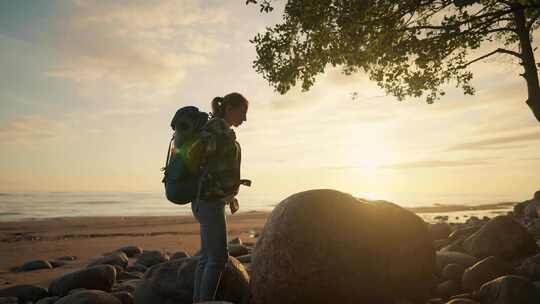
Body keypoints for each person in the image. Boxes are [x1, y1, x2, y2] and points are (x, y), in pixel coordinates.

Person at [190, 92, 248, 303]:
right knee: (218, 259)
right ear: (230, 108)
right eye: (242, 112)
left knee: (207, 258)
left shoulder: (217, 129)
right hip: (209, 200)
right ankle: (204, 301)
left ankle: (199, 301)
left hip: (205, 199)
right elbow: (209, 161)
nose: (244, 119)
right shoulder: (216, 129)